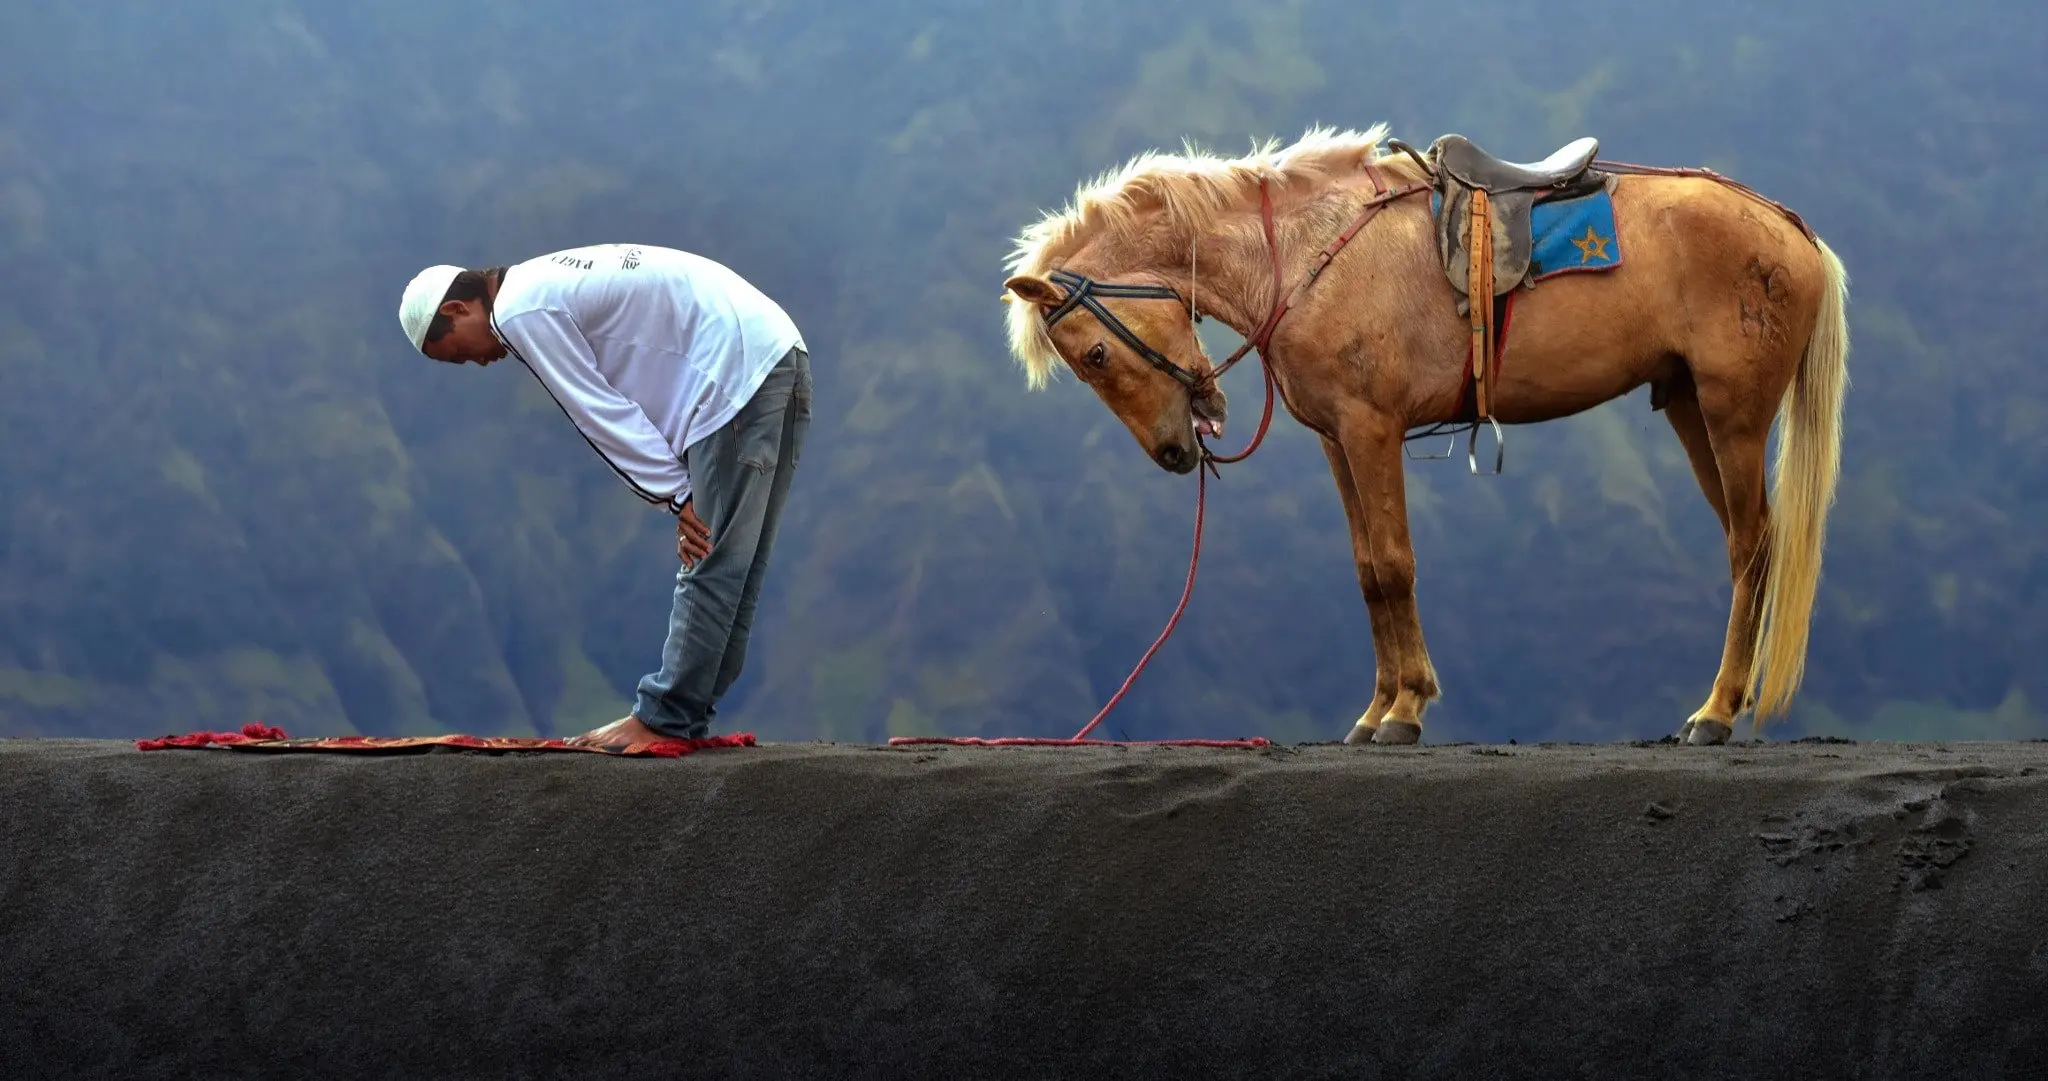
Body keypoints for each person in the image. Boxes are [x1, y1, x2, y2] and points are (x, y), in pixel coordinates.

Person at [396, 244, 812, 751]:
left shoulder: (518, 310)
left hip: (731, 370)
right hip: (778, 354)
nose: (479, 362)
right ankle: (690, 712)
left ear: (456, 309)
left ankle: (665, 718)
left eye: (461, 352)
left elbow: (598, 411)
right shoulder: (539, 281)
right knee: (736, 560)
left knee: (708, 552)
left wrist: (677, 496)